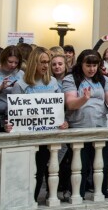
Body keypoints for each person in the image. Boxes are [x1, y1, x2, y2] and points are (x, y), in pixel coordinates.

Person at [63, 49, 108, 199]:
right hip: (79, 128)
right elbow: (71, 104)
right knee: (80, 166)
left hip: (99, 128)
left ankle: (101, 194)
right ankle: (77, 195)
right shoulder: (71, 79)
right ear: (81, 64)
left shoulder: (103, 79)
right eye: (88, 65)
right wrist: (83, 99)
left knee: (101, 166)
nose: (92, 69)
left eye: (95, 65)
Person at [9, 47, 68, 201]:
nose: (46, 65)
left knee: (40, 170)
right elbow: (13, 112)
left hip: (47, 135)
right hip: (27, 137)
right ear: (34, 63)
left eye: (48, 62)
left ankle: (33, 200)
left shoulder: (53, 82)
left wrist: (62, 122)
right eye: (42, 62)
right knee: (26, 172)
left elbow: (58, 108)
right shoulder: (20, 85)